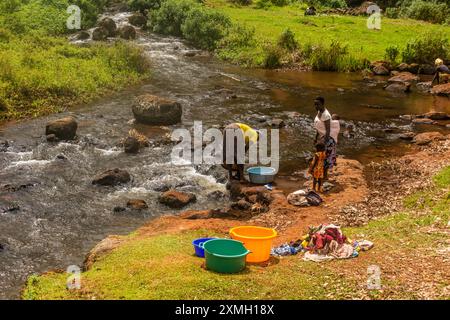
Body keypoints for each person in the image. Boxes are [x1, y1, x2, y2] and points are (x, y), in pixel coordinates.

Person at [313, 97, 336, 179]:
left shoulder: (326, 115)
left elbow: (328, 130)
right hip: (320, 137)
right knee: (319, 156)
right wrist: (316, 138)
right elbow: (318, 127)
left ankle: (325, 176)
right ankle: (318, 174)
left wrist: (324, 142)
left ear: (322, 104)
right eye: (315, 104)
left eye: (318, 104)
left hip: (327, 139)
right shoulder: (319, 112)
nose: (316, 106)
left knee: (325, 158)